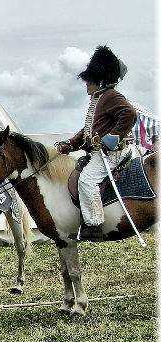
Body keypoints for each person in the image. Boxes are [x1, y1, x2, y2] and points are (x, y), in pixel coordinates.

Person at [55, 46, 136, 241]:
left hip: (112, 153)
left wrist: (111, 138)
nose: (86, 85)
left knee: (87, 180)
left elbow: (130, 114)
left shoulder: (111, 96)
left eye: (88, 82)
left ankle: (94, 225)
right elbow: (88, 130)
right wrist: (70, 144)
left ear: (99, 81)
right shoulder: (98, 98)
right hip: (100, 152)